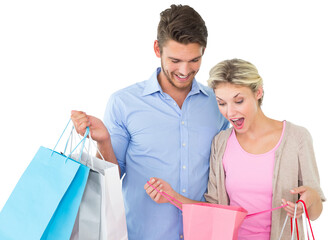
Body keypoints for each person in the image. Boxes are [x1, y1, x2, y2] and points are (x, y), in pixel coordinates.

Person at [71, 4, 229, 240]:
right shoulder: (124, 103)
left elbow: (227, 172)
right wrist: (103, 141)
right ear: (157, 48)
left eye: (194, 60)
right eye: (175, 60)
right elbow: (110, 181)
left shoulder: (217, 104)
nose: (185, 70)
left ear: (203, 51)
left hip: (204, 234)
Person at [145, 59, 326, 240]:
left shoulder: (296, 138)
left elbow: (316, 211)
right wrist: (172, 196)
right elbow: (213, 209)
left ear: (258, 92)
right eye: (222, 103)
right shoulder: (221, 143)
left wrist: (307, 200)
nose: (230, 113)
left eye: (238, 101)